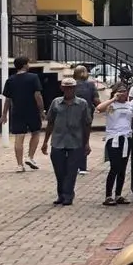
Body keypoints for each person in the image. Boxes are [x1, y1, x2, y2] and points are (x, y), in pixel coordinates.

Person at [41, 76, 94, 206]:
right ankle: (61, 194)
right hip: (58, 140)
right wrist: (45, 141)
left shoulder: (82, 104)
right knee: (59, 170)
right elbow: (50, 123)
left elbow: (87, 124)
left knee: (71, 170)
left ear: (75, 88)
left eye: (71, 88)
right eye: (66, 88)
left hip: (76, 141)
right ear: (62, 88)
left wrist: (86, 143)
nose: (68, 90)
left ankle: (68, 195)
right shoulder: (56, 102)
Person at [1, 56, 45, 172]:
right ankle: (30, 157)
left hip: (17, 112)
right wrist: (41, 111)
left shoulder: (10, 80)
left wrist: (4, 114)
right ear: (25, 65)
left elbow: (8, 99)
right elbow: (38, 95)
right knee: (36, 133)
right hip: (32, 110)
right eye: (28, 63)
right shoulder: (33, 77)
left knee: (19, 137)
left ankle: (19, 165)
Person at [98, 83, 133, 205]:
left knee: (123, 167)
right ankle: (108, 195)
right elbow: (99, 108)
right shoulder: (111, 105)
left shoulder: (130, 105)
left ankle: (118, 194)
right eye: (120, 91)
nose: (123, 93)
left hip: (126, 137)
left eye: (124, 91)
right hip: (113, 138)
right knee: (115, 166)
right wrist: (113, 99)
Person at [72, 65, 98, 174]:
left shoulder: (72, 85)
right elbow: (96, 100)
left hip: (73, 114)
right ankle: (82, 166)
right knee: (84, 138)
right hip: (87, 114)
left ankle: (73, 164)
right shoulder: (91, 85)